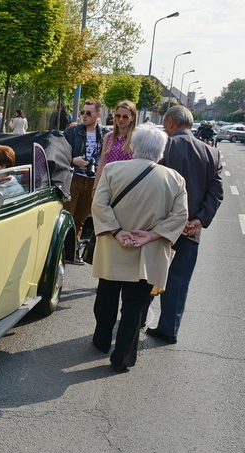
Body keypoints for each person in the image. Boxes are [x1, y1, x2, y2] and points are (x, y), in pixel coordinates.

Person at [90, 125, 188, 371]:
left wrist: (117, 232)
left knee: (106, 299)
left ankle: (101, 340)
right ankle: (123, 357)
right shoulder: (175, 179)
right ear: (161, 151)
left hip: (113, 247)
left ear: (133, 146)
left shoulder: (113, 170)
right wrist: (151, 235)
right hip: (148, 252)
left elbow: (99, 205)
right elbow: (180, 216)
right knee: (134, 309)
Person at [142, 106, 224, 344]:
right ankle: (169, 329)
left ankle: (137, 318)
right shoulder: (211, 152)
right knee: (178, 280)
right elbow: (216, 192)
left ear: (169, 122)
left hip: (159, 227)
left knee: (148, 275)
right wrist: (199, 220)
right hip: (191, 231)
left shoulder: (163, 147)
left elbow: (152, 185)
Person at [63, 99, 111, 241]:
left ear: (98, 114)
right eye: (82, 112)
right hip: (74, 178)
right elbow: (59, 152)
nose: (84, 116)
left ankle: (73, 248)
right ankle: (62, 248)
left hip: (94, 182)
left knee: (80, 220)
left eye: (88, 113)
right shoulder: (72, 131)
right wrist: (73, 160)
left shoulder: (106, 134)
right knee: (67, 217)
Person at [93, 100, 137, 185]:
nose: (120, 119)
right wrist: (95, 187)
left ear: (133, 117)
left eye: (125, 117)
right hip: (107, 183)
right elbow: (101, 164)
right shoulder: (108, 137)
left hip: (125, 185)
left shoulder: (136, 139)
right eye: (118, 116)